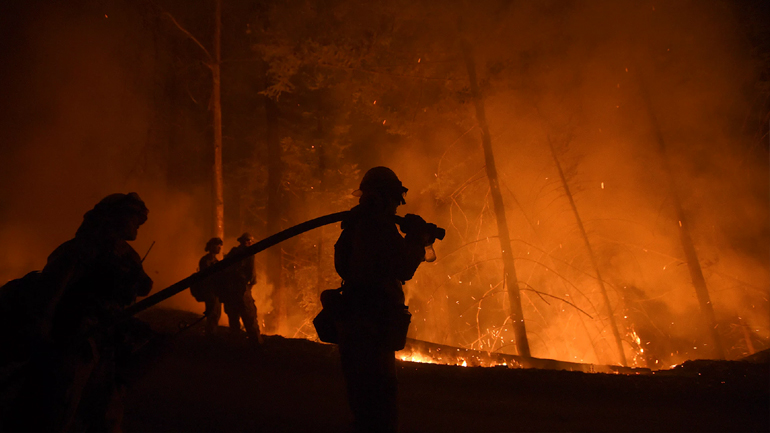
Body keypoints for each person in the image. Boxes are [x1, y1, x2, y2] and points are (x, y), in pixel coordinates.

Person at [2, 192, 153, 432]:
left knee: (107, 413)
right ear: (114, 216)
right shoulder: (82, 249)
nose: (138, 223)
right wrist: (43, 325)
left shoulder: (128, 256)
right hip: (75, 337)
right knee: (57, 406)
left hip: (107, 341)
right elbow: (53, 289)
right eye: (133, 216)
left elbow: (139, 287)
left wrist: (138, 281)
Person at [334, 167, 432, 433]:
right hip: (374, 325)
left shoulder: (354, 225)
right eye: (395, 201)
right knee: (381, 406)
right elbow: (403, 268)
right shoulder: (378, 227)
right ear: (385, 197)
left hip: (353, 322)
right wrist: (416, 239)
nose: (396, 208)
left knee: (362, 402)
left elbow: (343, 266)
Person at [222, 233, 263, 343]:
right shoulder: (249, 253)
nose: (250, 243)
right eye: (250, 241)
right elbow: (252, 275)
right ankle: (256, 343)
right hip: (242, 289)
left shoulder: (233, 252)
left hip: (231, 290)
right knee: (249, 317)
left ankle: (235, 343)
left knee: (233, 318)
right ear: (248, 242)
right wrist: (249, 285)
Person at [192, 237, 224, 335]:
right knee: (212, 314)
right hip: (210, 291)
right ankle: (210, 335)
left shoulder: (215, 261)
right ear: (211, 246)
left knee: (216, 314)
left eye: (220, 246)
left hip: (215, 292)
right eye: (217, 246)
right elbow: (208, 277)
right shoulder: (206, 260)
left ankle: (212, 334)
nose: (219, 248)